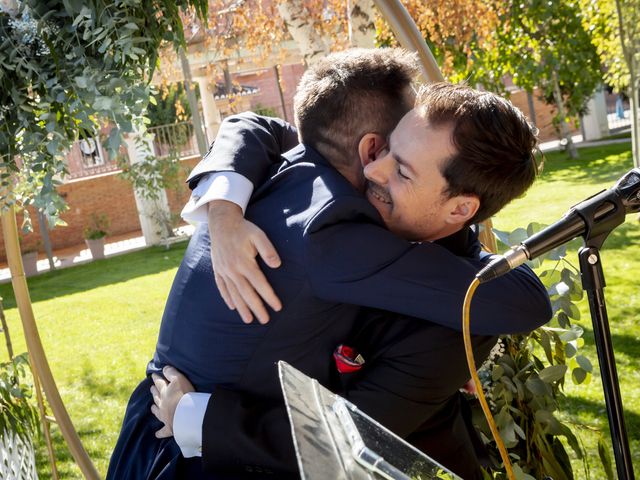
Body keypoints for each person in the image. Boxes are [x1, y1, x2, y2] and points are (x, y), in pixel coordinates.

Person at [107, 48, 551, 479]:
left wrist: (224, 204)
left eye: (402, 169)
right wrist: (223, 213)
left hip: (176, 431)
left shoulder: (296, 170)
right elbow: (252, 126)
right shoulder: (332, 223)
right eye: (386, 152)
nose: (376, 170)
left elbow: (524, 302)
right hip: (188, 448)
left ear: (461, 210)